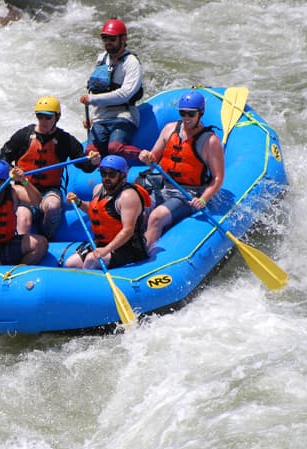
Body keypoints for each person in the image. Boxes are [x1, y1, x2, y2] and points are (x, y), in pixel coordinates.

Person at [0, 96, 101, 240]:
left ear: (57, 117)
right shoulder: (24, 136)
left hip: (49, 191)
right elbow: (2, 158)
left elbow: (84, 165)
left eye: (48, 117)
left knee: (52, 206)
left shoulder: (65, 140)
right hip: (24, 190)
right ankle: (20, 247)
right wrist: (11, 171)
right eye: (40, 116)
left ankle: (47, 238)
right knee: (23, 217)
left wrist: (94, 161)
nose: (43, 121)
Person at [137, 90, 225, 250]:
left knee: (156, 217)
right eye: (182, 113)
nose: (186, 118)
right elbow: (153, 159)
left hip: (188, 194)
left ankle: (146, 256)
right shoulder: (169, 129)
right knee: (137, 211)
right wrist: (146, 157)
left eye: (191, 114)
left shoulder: (210, 141)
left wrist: (203, 199)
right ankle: (127, 250)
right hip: (164, 187)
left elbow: (218, 178)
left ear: (201, 113)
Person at [65, 155, 150, 270]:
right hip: (102, 243)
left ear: (123, 176)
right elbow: (95, 210)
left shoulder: (128, 197)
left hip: (128, 248)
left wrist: (106, 250)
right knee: (70, 264)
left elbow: (128, 231)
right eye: (103, 173)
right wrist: (78, 202)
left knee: (91, 260)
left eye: (112, 174)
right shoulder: (98, 189)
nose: (106, 178)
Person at [79, 18, 144, 162]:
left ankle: (149, 159)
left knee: (115, 148)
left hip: (123, 115)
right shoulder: (102, 59)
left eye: (112, 38)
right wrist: (91, 118)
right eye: (105, 38)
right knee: (91, 152)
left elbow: (125, 95)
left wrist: (92, 100)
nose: (108, 42)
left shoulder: (131, 62)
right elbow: (94, 90)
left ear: (123, 39)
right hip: (101, 117)